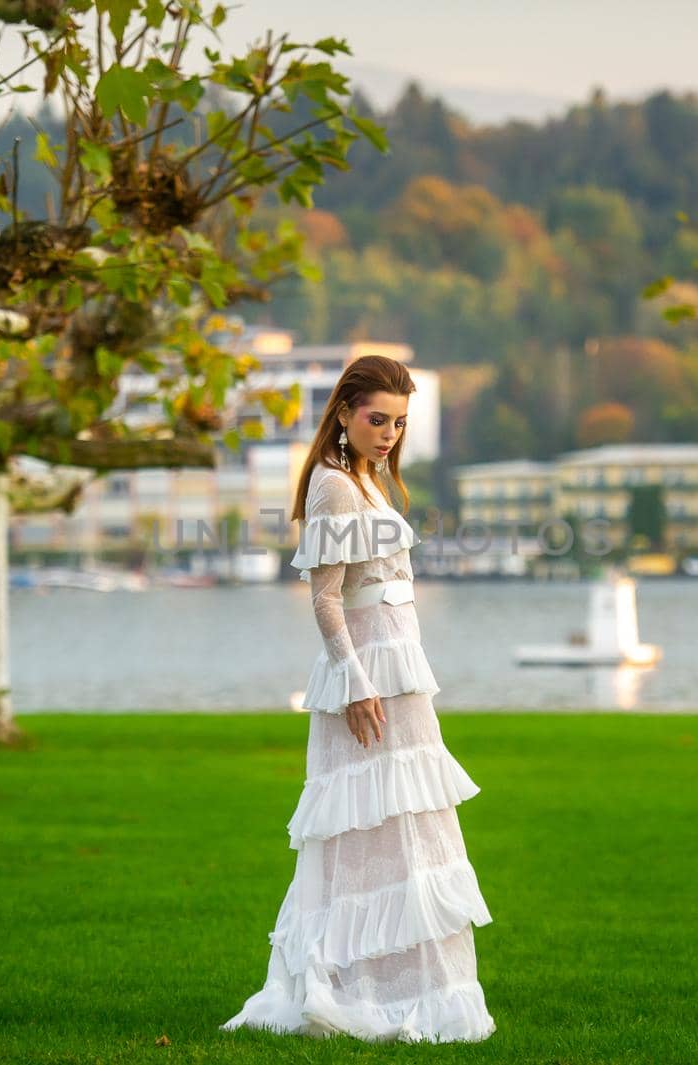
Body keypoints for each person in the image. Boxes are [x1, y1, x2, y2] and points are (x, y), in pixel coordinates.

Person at [220, 355, 495, 1043]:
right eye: (378, 419)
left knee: (404, 828)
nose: (389, 434)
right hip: (367, 677)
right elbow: (325, 597)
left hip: (400, 670)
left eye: (400, 423)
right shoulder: (334, 486)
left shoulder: (367, 480)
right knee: (371, 829)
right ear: (344, 412)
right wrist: (356, 682)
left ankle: (408, 987)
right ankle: (351, 986)